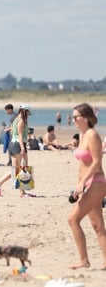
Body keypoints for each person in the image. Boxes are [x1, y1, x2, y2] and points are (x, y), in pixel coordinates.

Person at [67, 103, 106, 270]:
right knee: (97, 226)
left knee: (73, 219)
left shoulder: (92, 135)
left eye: (76, 117)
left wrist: (84, 182)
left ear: (86, 118)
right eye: (73, 117)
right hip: (85, 185)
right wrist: (79, 183)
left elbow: (97, 161)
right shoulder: (82, 135)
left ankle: (84, 260)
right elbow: (82, 164)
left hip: (96, 183)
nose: (73, 120)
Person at [0, 104, 32, 197]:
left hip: (12, 144)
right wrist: (23, 147)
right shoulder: (22, 120)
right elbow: (21, 135)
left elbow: (15, 132)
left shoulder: (16, 120)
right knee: (23, 168)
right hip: (19, 144)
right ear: (25, 112)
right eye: (27, 113)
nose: (28, 115)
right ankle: (22, 193)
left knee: (15, 169)